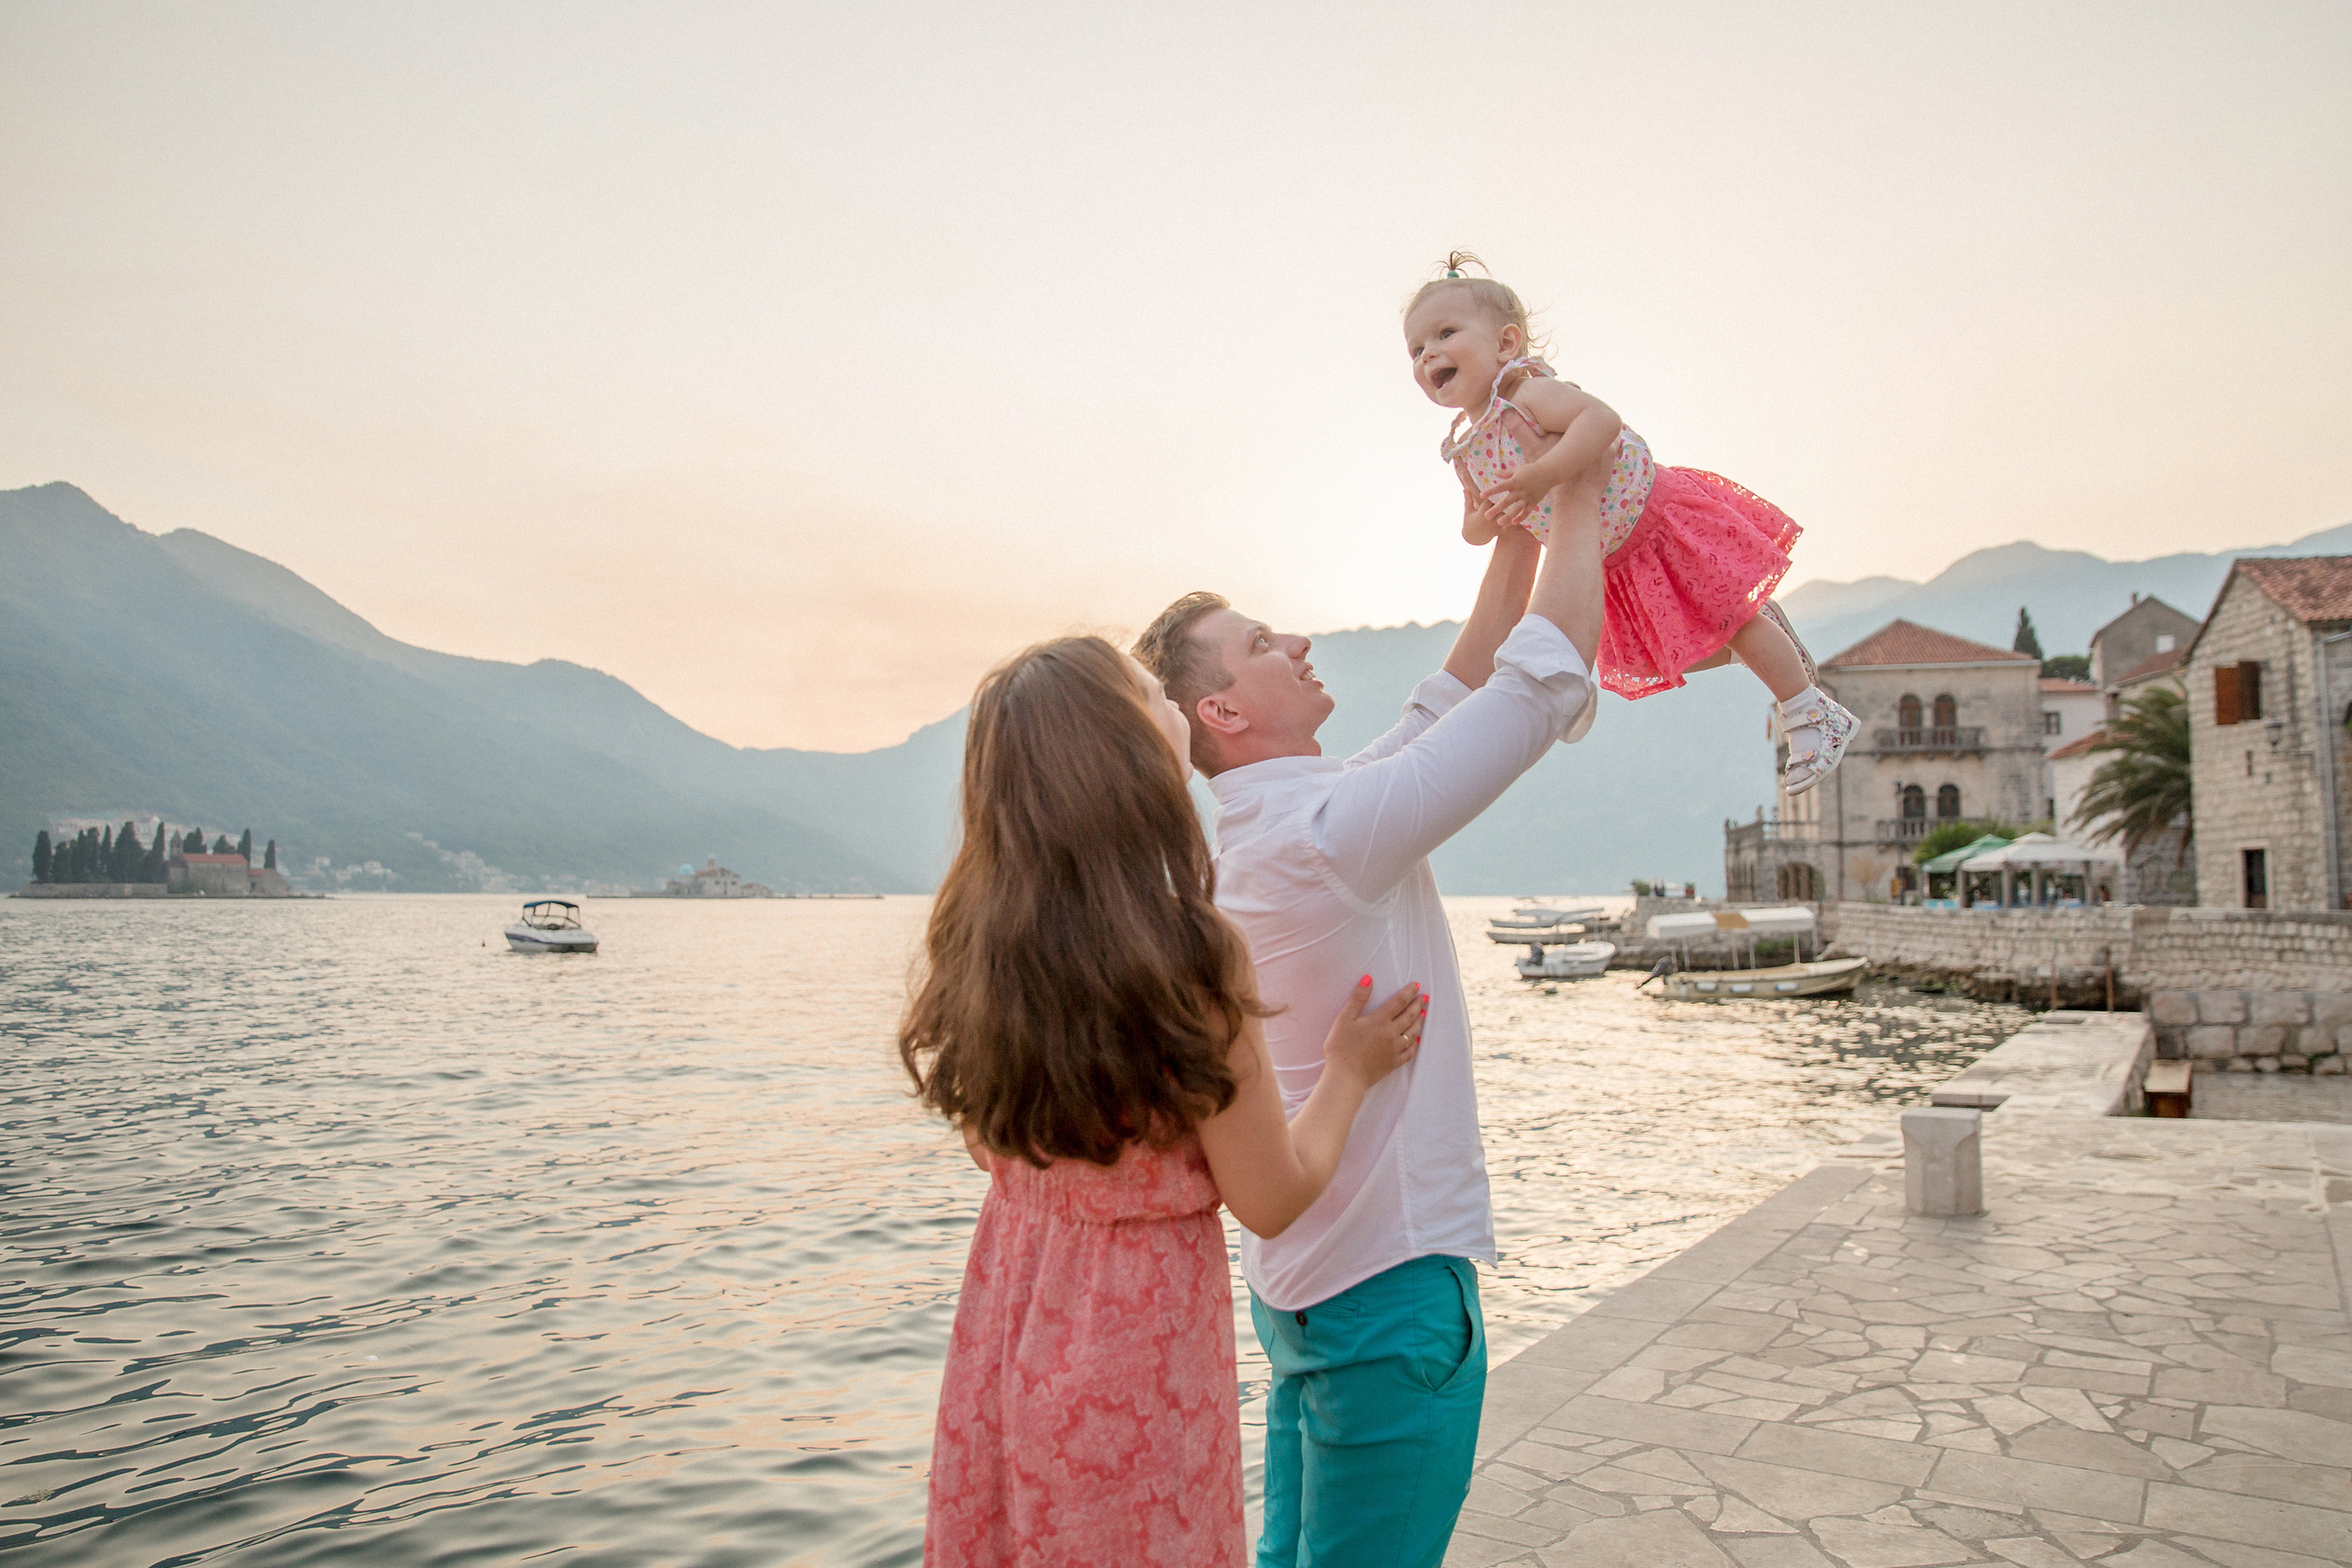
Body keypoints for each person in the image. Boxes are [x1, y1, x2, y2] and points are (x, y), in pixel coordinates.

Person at [1130, 497, 1603, 1568]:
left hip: (1303, 1289)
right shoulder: (1325, 837)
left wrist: (1517, 528)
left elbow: (1446, 707)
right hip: (1385, 1292)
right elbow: (1540, 687)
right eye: (1262, 644)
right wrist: (1579, 488)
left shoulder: (1278, 831)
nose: (1297, 643)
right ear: (1222, 712)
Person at [903, 635, 1432, 1568]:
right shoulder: (1190, 952)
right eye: (1153, 694)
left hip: (1009, 1316)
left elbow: (997, 1144)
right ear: (1122, 753)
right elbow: (1270, 1196)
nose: (1175, 707)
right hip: (1134, 1345)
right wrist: (1347, 1071)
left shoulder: (979, 947)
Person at [1406, 251, 1858, 795]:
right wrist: (1489, 514)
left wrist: (1538, 477)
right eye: (1417, 349)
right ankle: (1766, 638)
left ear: (1505, 343)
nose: (1429, 354)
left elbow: (1600, 421)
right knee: (1668, 651)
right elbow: (1474, 528)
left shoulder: (1527, 396)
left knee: (1726, 621)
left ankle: (1811, 712)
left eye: (1445, 334)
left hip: (1654, 523)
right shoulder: (1468, 449)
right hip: (1610, 562)